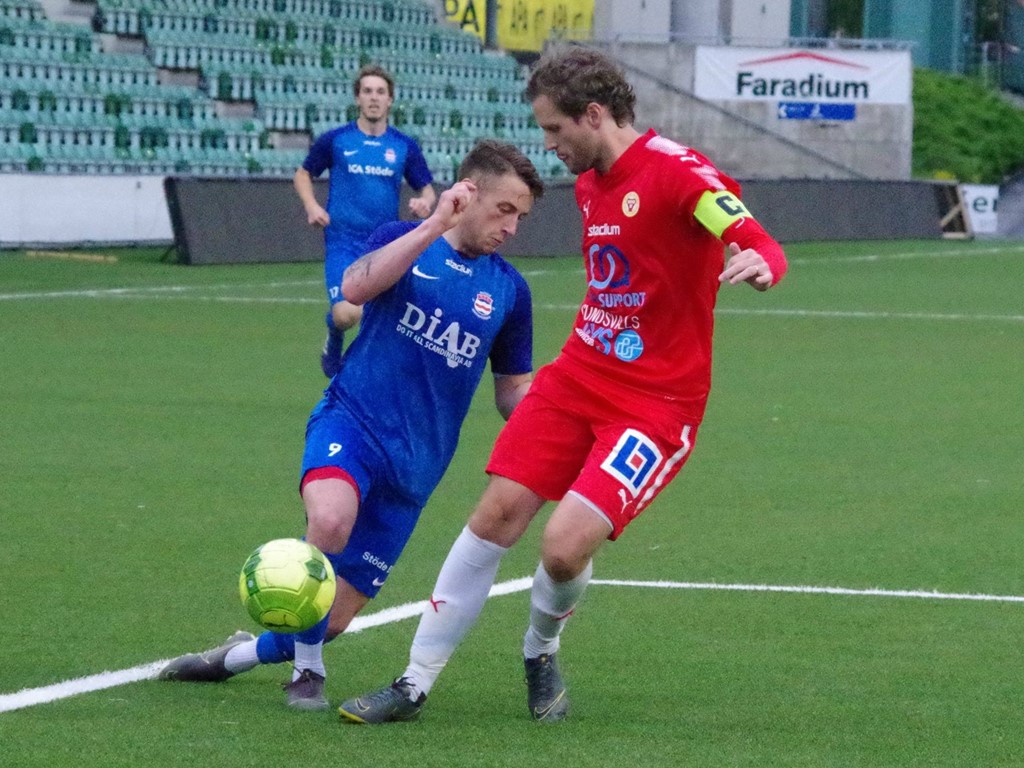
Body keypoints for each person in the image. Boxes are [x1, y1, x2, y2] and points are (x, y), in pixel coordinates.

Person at [338, 45, 789, 725]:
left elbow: (757, 239)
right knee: (494, 515)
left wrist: (761, 262)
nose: (549, 146)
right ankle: (413, 682)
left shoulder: (677, 173)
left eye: (554, 130)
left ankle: (539, 650)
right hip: (577, 376)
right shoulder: (587, 185)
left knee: (561, 545)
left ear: (595, 114)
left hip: (658, 405)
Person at [159, 139, 544, 710]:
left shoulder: (510, 291)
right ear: (469, 194)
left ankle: (236, 657)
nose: (512, 228)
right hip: (353, 422)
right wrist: (434, 223)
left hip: (416, 468)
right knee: (331, 521)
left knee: (330, 617)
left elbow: (513, 391)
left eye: (522, 217)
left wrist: (565, 414)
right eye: (505, 210)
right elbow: (356, 288)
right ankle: (307, 672)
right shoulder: (403, 239)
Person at [294, 63, 437, 378]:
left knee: (393, 317)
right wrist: (311, 206)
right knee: (347, 314)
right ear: (357, 98)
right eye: (367, 91)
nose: (374, 98)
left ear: (390, 100)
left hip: (383, 245)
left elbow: (427, 189)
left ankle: (367, 374)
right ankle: (334, 334)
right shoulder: (337, 140)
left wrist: (424, 203)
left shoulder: (403, 146)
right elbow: (304, 173)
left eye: (380, 92)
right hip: (343, 241)